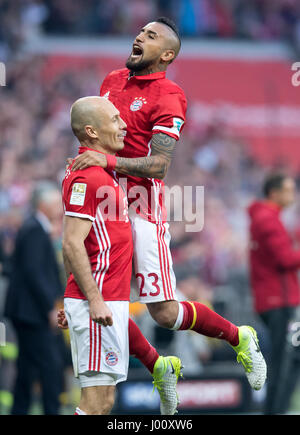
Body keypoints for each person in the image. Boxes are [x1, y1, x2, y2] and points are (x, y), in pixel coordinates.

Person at [71, 17, 267, 391]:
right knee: (96, 296)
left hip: (141, 206)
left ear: (166, 54)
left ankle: (239, 337)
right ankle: (157, 367)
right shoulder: (111, 82)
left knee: (163, 312)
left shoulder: (169, 95)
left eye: (150, 35)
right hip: (104, 205)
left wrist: (107, 163)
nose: (139, 36)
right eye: (140, 32)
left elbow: (159, 166)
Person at [62, 96, 182, 415]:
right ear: (91, 131)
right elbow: (71, 243)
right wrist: (90, 299)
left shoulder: (105, 174)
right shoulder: (86, 177)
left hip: (106, 302)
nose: (124, 124)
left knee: (105, 402)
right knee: (94, 404)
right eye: (115, 119)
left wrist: (72, 297)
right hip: (97, 303)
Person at [4, 181, 65, 415]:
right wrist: (49, 307)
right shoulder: (34, 230)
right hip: (33, 313)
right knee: (50, 364)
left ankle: (20, 410)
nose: (59, 207)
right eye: (55, 202)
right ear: (43, 205)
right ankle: (51, 410)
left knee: (27, 367)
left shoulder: (34, 228)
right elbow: (35, 273)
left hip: (26, 311)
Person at [248, 173, 300, 414]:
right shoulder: (268, 220)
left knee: (288, 357)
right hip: (278, 301)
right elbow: (286, 258)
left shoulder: (267, 218)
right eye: (289, 189)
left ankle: (278, 408)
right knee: (284, 360)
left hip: (277, 300)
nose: (293, 195)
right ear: (274, 192)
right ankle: (275, 410)